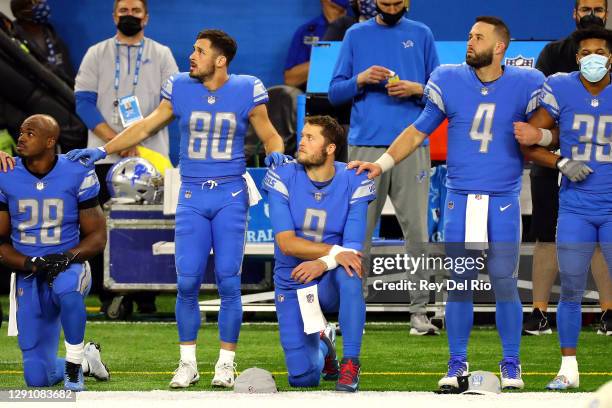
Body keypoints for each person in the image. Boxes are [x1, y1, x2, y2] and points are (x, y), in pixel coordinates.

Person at [66, 29, 288, 389]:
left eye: (199, 51)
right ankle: (188, 363)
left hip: (231, 193)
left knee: (229, 281)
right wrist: (103, 150)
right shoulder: (181, 87)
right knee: (187, 282)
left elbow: (270, 134)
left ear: (221, 59)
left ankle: (226, 363)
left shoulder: (247, 87)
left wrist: (276, 151)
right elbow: (146, 125)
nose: (192, 56)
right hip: (192, 194)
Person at [349, 16, 545, 391]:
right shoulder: (449, 78)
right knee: (460, 284)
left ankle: (511, 364)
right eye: (469, 35)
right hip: (460, 195)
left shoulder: (527, 83)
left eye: (478, 37)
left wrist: (544, 133)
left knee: (505, 283)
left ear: (500, 46)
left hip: (502, 199)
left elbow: (553, 124)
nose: (469, 42)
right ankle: (456, 363)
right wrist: (381, 163)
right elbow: (417, 130)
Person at [328, 0, 440, 335]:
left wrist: (415, 88)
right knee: (357, 234)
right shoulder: (355, 34)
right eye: (385, 2)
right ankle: (353, 312)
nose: (391, 7)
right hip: (364, 148)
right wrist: (360, 79)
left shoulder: (422, 34)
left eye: (396, 2)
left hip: (412, 146)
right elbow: (335, 93)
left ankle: (420, 314)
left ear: (406, 2)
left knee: (418, 233)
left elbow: (440, 93)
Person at [515, 28, 612, 389]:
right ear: (576, 57)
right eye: (586, 52)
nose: (593, 58)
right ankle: (568, 369)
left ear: (610, 56)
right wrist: (559, 161)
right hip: (576, 206)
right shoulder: (561, 87)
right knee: (570, 286)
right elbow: (528, 139)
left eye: (600, 51)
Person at [74, 0, 178, 314]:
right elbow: (84, 103)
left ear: (146, 17)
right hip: (106, 158)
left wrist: (137, 139)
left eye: (135, 11)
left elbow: (172, 104)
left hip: (152, 157)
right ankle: (110, 295)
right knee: (104, 227)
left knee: (149, 227)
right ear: (114, 15)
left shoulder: (161, 54)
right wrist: (116, 142)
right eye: (124, 10)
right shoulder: (97, 53)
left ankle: (147, 295)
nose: (129, 15)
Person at [262, 115, 375, 392]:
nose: (301, 143)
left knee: (351, 272)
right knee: (302, 378)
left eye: (310, 138)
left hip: (329, 278)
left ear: (330, 148)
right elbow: (287, 243)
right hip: (293, 278)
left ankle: (351, 362)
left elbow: (352, 248)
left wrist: (324, 263)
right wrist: (334, 253)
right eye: (302, 136)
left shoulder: (353, 178)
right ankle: (325, 345)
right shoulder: (283, 175)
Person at [0, 114, 109, 391]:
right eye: (21, 132)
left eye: (30, 133)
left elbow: (97, 236)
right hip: (29, 273)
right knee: (37, 378)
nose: (21, 138)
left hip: (68, 265)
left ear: (50, 141)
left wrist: (67, 257)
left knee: (68, 290)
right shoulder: (6, 173)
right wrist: (30, 262)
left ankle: (73, 368)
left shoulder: (76, 171)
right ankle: (86, 360)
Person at [284, 0, 347, 89]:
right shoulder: (307, 31)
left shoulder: (358, 27)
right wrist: (328, 59)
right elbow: (291, 79)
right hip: (316, 98)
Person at [10, 0, 76, 86]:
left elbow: (69, 75)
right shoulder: (13, 42)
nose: (41, 4)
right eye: (34, 2)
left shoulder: (55, 38)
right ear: (21, 13)